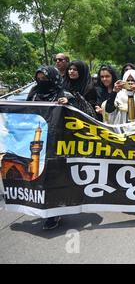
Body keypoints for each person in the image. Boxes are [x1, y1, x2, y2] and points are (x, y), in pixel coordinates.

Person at [27, 66, 76, 230]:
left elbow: (80, 115)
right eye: (39, 78)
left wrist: (69, 104)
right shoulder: (34, 94)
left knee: (54, 177)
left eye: (45, 79)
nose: (42, 82)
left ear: (53, 78)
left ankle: (54, 213)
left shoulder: (64, 95)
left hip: (58, 144)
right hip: (38, 143)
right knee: (38, 177)